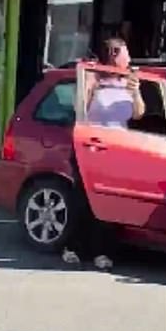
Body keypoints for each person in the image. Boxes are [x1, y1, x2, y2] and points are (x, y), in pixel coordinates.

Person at [62, 37, 145, 271]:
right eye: (125, 54)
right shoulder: (94, 78)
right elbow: (81, 111)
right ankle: (73, 247)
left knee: (110, 203)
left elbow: (138, 114)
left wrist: (136, 91)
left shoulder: (129, 81)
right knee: (83, 201)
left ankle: (102, 251)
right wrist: (88, 86)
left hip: (117, 149)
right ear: (114, 55)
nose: (129, 59)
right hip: (92, 147)